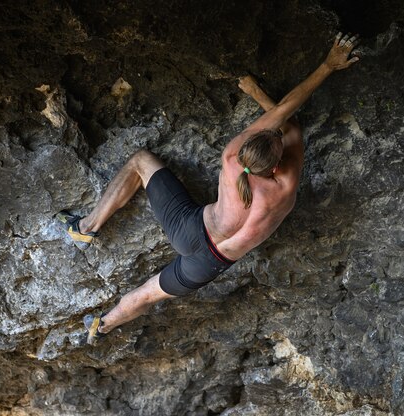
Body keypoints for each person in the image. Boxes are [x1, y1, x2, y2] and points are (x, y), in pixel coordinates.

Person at [57, 32, 360, 344]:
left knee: (140, 161)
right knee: (146, 295)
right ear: (276, 165)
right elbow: (291, 124)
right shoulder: (283, 187)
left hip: (189, 229)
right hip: (206, 265)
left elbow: (283, 115)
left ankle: (86, 226)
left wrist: (257, 91)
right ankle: (102, 325)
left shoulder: (232, 158)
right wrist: (327, 66)